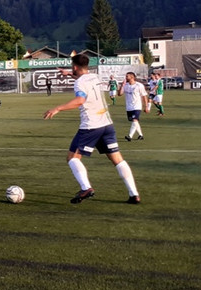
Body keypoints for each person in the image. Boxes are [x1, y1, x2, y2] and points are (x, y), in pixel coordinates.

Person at [44, 54, 140, 204]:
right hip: (107, 125)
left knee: (72, 158)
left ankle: (86, 188)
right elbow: (83, 80)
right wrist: (68, 74)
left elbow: (80, 100)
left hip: (90, 126)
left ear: (75, 66)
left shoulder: (80, 82)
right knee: (117, 160)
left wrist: (57, 108)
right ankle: (134, 194)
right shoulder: (94, 77)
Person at [121, 71, 147, 141]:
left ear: (132, 77)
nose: (126, 77)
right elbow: (120, 94)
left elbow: (144, 96)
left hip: (137, 106)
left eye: (127, 76)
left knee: (134, 120)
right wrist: (122, 85)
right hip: (129, 107)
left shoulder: (139, 85)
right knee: (135, 121)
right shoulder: (126, 85)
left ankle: (130, 136)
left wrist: (146, 106)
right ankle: (140, 135)